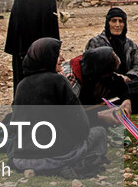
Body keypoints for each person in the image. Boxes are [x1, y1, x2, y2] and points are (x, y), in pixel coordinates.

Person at [7, 38, 118, 178]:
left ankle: (35, 170)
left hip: (22, 159)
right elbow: (81, 126)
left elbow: (15, 126)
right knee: (99, 132)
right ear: (48, 57)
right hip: (53, 157)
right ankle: (74, 165)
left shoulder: (22, 85)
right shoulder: (58, 81)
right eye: (57, 54)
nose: (62, 59)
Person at [86, 7, 138, 114]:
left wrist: (128, 76)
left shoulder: (131, 45)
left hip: (129, 83)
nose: (117, 25)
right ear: (107, 22)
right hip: (107, 86)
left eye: (121, 21)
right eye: (114, 21)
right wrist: (118, 78)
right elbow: (91, 69)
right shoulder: (95, 43)